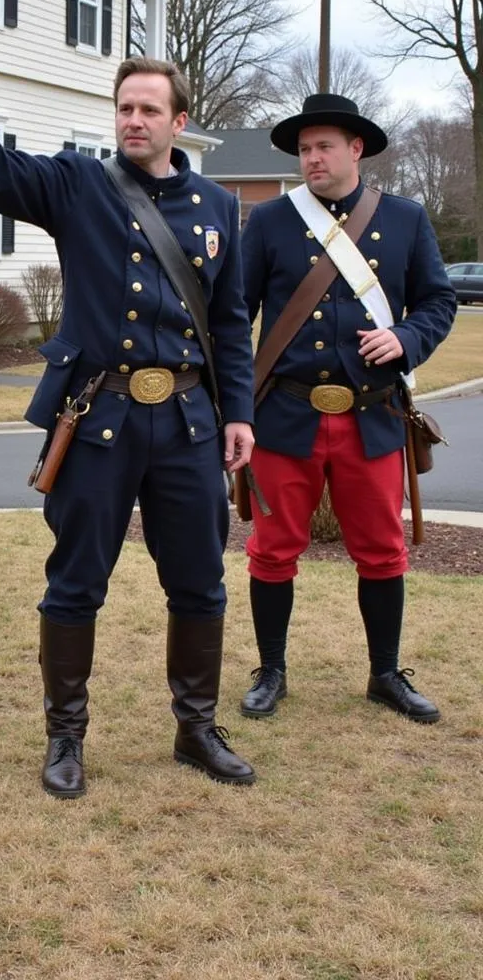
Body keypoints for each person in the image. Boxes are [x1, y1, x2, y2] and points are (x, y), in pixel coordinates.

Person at [0, 22, 257, 798]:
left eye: (148, 109)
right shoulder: (79, 185)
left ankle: (196, 729)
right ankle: (65, 739)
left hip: (186, 422)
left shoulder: (216, 206)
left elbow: (232, 320)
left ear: (179, 122)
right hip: (98, 417)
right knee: (75, 582)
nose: (133, 121)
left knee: (200, 582)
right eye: (124, 108)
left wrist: (237, 412)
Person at [238, 94, 456, 724]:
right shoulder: (272, 222)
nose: (312, 158)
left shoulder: (407, 219)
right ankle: (271, 670)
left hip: (372, 416)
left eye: (324, 146)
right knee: (273, 549)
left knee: (383, 549)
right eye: (304, 149)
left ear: (355, 149)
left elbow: (437, 303)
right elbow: (237, 315)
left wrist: (406, 339)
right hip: (286, 417)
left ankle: (385, 674)